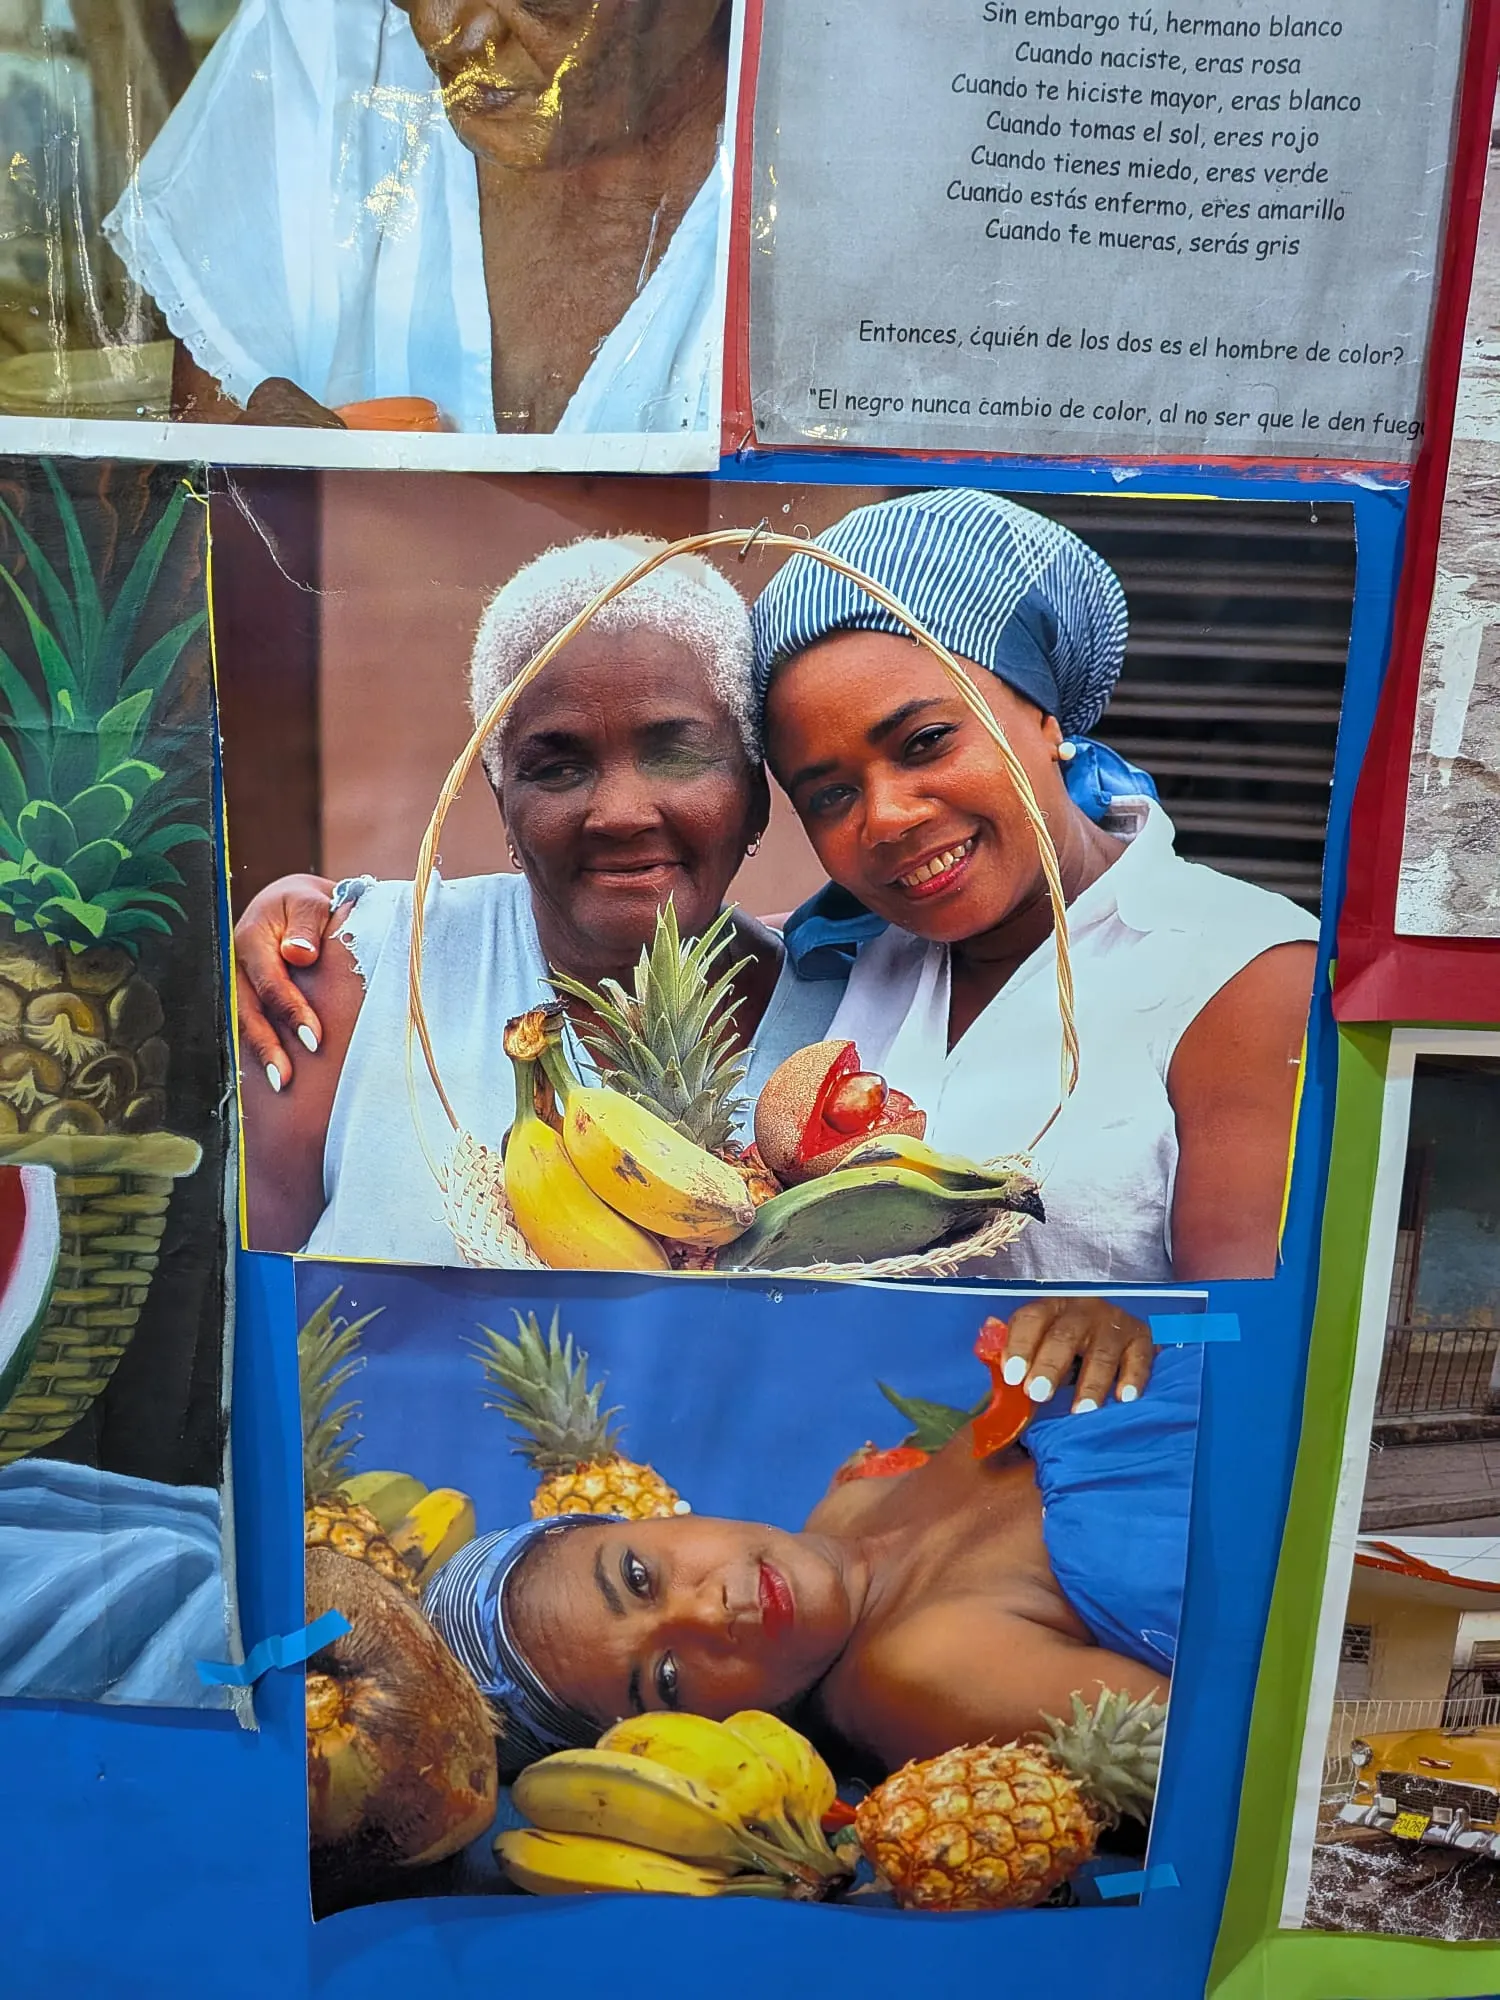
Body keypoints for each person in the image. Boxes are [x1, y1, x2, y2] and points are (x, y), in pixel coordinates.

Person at [750, 488, 1320, 1283]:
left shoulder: (1238, 969)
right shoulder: (828, 969)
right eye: (830, 795)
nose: (885, 818)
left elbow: (1238, 1343)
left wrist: (1117, 1330)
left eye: (925, 742)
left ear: (1048, 720)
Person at [239, 535, 841, 1261]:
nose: (619, 812)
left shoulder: (854, 1011)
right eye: (557, 767)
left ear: (755, 794)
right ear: (503, 802)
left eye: (676, 754)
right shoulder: (355, 980)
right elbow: (246, 1315)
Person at [422, 1310, 1192, 1780]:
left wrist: (1109, 1335)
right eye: (664, 1677)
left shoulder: (849, 1506)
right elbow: (1249, 1753)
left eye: (639, 1576)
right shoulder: (915, 1678)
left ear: (645, 1511)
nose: (708, 1613)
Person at [104, 0, 731, 435]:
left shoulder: (814, 161)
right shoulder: (325, 54)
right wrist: (261, 524)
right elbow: (188, 541)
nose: (438, 30)